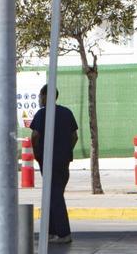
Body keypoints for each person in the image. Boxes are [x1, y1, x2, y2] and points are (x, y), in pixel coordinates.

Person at [30, 85, 79, 244]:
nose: (39, 99)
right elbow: (74, 136)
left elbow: (35, 136)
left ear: (45, 96)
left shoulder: (42, 114)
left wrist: (38, 154)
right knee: (53, 195)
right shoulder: (67, 113)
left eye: (40, 95)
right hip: (63, 161)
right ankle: (51, 232)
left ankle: (64, 233)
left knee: (54, 196)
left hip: (49, 161)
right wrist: (65, 151)